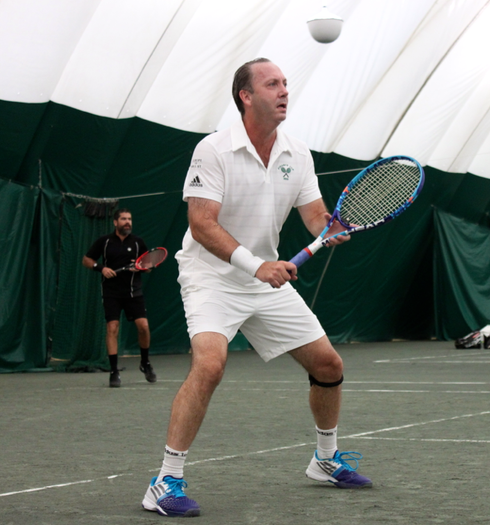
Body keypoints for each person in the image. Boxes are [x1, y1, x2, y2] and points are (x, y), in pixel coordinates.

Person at [141, 58, 372, 518]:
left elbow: (313, 216)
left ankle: (325, 461)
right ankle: (165, 481)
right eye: (272, 84)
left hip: (265, 279)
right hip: (213, 276)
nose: (284, 90)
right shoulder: (213, 150)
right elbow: (202, 224)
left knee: (328, 363)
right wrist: (257, 265)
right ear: (246, 96)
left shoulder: (298, 154)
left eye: (286, 83)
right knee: (210, 365)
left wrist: (330, 226)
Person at [82, 208, 157, 387]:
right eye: (123, 219)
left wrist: (139, 268)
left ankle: (145, 363)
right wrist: (101, 269)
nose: (127, 222)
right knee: (112, 328)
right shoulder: (104, 241)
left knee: (144, 327)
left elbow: (149, 266)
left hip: (134, 292)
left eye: (129, 219)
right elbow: (86, 260)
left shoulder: (139, 242)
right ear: (115, 222)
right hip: (111, 293)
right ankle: (114, 371)